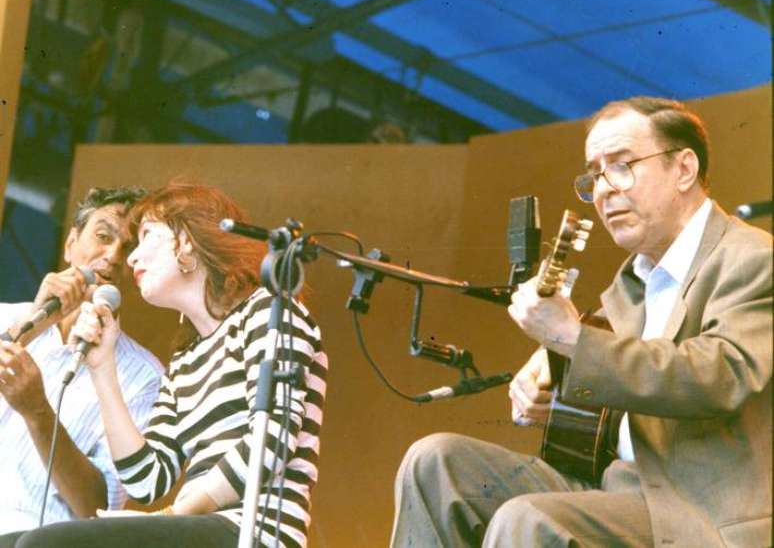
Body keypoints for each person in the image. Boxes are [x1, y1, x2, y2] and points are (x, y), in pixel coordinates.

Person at [390, 97, 772, 547]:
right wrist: (549, 382)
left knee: (527, 518)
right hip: (617, 492)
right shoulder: (632, 283)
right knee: (435, 462)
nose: (605, 188)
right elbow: (613, 378)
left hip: (699, 512)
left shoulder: (752, 257)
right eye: (595, 174)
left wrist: (571, 338)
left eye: (623, 165)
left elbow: (721, 374)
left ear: (684, 169)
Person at [1, 183, 328, 548]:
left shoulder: (269, 311)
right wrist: (103, 367)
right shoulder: (187, 360)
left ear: (186, 243)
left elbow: (273, 437)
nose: (130, 258)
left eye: (144, 239)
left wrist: (180, 512)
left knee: (42, 546)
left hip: (254, 532)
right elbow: (147, 480)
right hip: (200, 527)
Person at [0, 186, 163, 534]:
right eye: (103, 236)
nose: (114, 255)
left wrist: (39, 413)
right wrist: (30, 327)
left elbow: (96, 507)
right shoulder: (4, 319)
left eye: (130, 247)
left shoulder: (144, 376)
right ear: (71, 243)